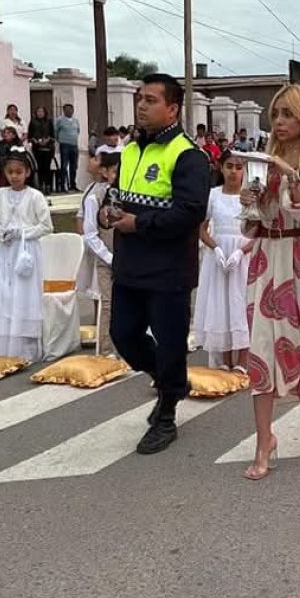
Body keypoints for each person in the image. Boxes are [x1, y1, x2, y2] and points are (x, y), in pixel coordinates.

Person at [102, 74, 211, 455]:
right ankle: (172, 383)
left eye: (150, 100)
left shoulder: (188, 156)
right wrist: (108, 213)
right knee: (124, 334)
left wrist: (140, 223)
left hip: (168, 271)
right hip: (130, 266)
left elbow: (191, 213)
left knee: (169, 345)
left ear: (172, 109)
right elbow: (119, 196)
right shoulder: (130, 150)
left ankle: (166, 414)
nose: (142, 106)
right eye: (139, 99)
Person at [236, 83, 300, 480]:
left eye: (288, 114)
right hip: (265, 260)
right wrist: (249, 198)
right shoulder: (259, 161)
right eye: (275, 114)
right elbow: (251, 222)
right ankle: (264, 440)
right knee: (261, 348)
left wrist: (292, 174)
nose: (279, 122)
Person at [0, 151, 54, 362]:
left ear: (27, 173)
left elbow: (46, 226)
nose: (15, 176)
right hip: (5, 250)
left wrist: (22, 233)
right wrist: (0, 232)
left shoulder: (35, 197)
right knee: (2, 292)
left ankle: (25, 346)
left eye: (19, 172)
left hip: (26, 252)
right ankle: (2, 343)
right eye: (10, 172)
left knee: (24, 294)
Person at [194, 150, 250, 372]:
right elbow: (202, 229)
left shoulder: (250, 196)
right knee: (221, 304)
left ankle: (243, 360)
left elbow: (258, 231)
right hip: (218, 256)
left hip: (242, 254)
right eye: (229, 166)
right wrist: (215, 248)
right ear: (221, 167)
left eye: (238, 167)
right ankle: (225, 358)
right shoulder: (212, 195)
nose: (234, 172)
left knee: (241, 303)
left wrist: (240, 252)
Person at [77, 152, 118, 357]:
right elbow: (91, 234)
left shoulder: (131, 196)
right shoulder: (95, 198)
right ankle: (105, 350)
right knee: (108, 304)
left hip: (130, 258)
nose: (118, 175)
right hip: (106, 259)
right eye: (114, 171)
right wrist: (110, 258)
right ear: (105, 172)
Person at [26, 106, 55, 193]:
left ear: (45, 112)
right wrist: (35, 140)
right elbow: (30, 136)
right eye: (38, 111)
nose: (40, 113)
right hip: (37, 148)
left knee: (47, 167)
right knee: (39, 167)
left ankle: (48, 186)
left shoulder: (49, 121)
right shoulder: (33, 122)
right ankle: (40, 185)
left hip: (48, 148)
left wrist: (47, 140)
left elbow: (53, 135)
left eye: (42, 111)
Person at [0, 127, 26, 194]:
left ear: (14, 135)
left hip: (16, 167)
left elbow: (22, 157)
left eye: (8, 133)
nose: (5, 134)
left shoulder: (19, 144)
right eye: (5, 133)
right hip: (2, 167)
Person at [55, 103, 82, 192]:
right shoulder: (60, 120)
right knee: (64, 165)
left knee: (74, 166)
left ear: (73, 110)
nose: (69, 111)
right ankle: (63, 185)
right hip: (64, 144)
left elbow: (78, 131)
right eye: (66, 109)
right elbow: (55, 131)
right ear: (63, 110)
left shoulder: (75, 120)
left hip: (74, 145)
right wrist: (60, 140)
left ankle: (73, 184)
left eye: (70, 109)